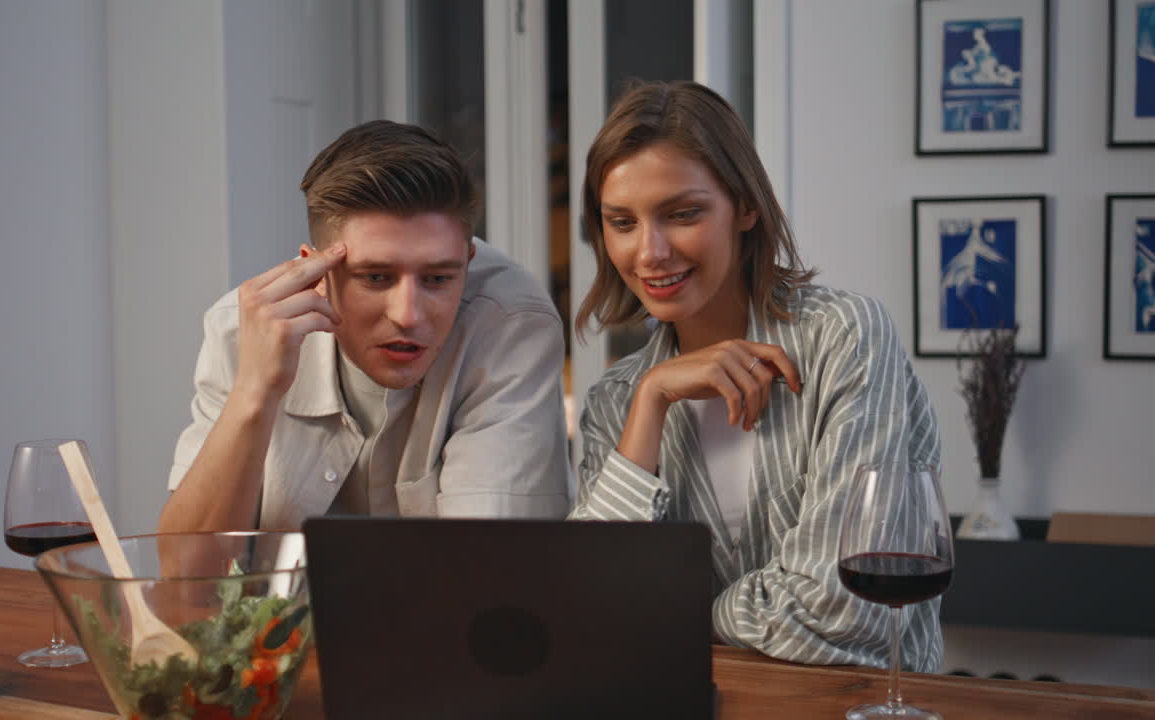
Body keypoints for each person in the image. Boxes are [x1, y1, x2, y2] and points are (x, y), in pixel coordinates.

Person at [569, 82, 943, 672]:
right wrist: (652, 396)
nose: (651, 252)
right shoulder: (616, 402)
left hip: (856, 708)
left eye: (683, 213)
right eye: (622, 222)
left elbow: (846, 605)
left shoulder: (843, 336)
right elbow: (584, 608)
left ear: (745, 206)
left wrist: (670, 618)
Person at [161, 120, 570, 533]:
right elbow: (187, 574)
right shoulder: (239, 328)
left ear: (466, 261)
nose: (407, 315)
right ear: (315, 271)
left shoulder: (511, 324)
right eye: (375, 278)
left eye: (438, 279)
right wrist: (254, 392)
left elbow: (485, 566)